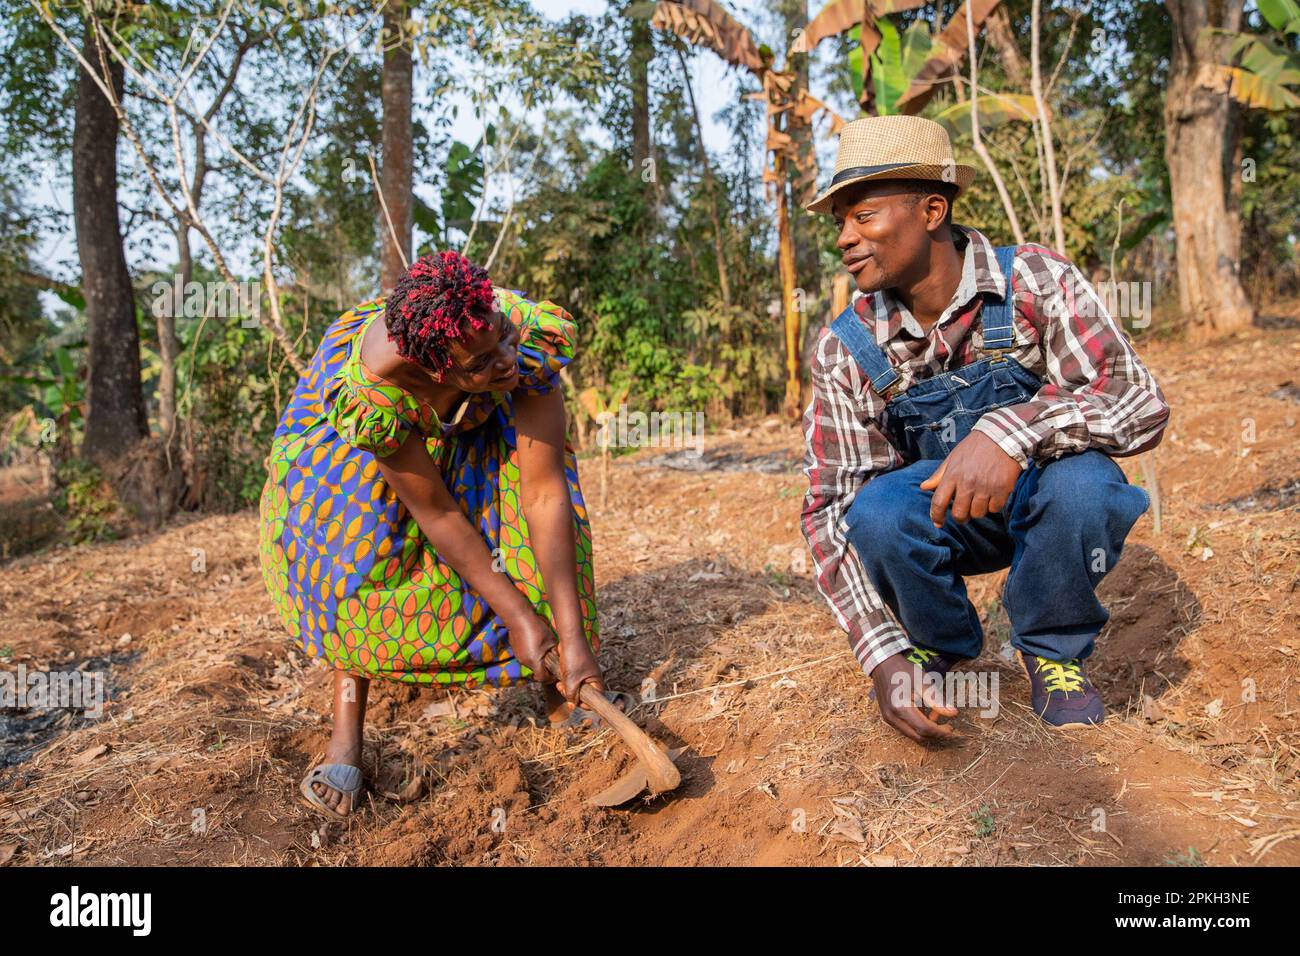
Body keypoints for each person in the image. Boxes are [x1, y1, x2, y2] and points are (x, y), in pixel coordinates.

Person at [800, 116, 1169, 739]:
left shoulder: (1034, 280)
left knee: (1086, 486)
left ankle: (1052, 651)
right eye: (839, 223)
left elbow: (1137, 401)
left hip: (1043, 501)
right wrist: (882, 656)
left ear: (931, 210)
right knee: (874, 512)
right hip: (946, 518)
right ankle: (937, 642)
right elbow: (827, 508)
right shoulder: (848, 347)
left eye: (863, 216)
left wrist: (1009, 432)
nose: (844, 238)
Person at [258, 250, 614, 819]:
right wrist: (519, 619)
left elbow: (543, 493)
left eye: (502, 335)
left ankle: (563, 686)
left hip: (472, 409)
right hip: (364, 430)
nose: (507, 360)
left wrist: (573, 637)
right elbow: (439, 515)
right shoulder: (373, 392)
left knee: (521, 523)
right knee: (360, 555)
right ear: (435, 369)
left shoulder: (520, 342)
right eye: (482, 361)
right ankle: (347, 734)